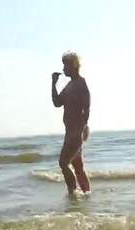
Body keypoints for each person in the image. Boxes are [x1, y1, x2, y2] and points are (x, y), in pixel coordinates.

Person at [52, 52, 91, 195]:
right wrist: (53, 84)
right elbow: (57, 103)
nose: (63, 69)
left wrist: (82, 129)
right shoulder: (69, 85)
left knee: (63, 163)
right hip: (70, 132)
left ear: (73, 65)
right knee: (78, 166)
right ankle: (86, 194)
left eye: (65, 65)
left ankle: (73, 194)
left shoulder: (81, 84)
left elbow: (86, 107)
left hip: (76, 132)